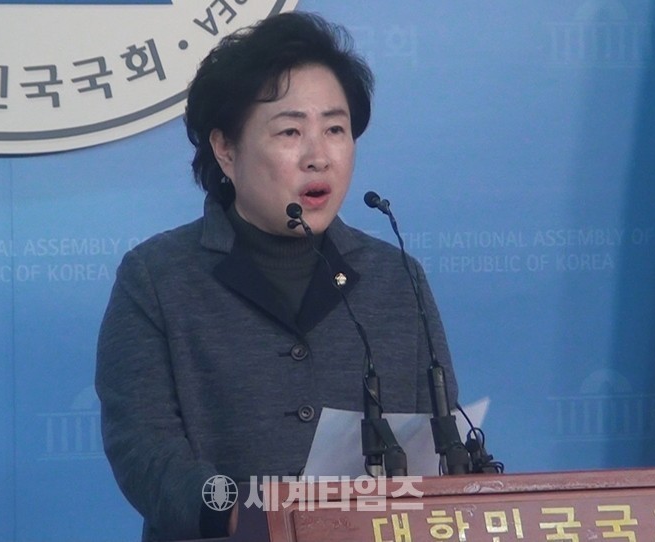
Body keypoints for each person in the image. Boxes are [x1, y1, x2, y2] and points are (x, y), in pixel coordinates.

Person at [96, 11, 459, 541]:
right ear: (226, 149)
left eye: (335, 130)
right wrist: (244, 516)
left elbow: (438, 434)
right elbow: (144, 450)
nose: (319, 157)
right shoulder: (156, 278)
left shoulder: (396, 278)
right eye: (290, 131)